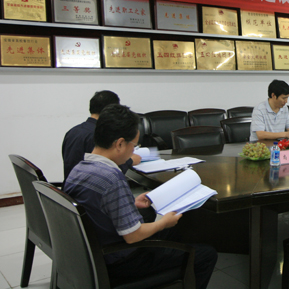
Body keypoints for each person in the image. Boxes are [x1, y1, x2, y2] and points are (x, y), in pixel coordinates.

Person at [64, 104, 217, 289]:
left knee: (172, 231)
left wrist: (131, 202)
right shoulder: (112, 177)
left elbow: (97, 205)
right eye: (134, 146)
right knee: (206, 255)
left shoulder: (80, 168)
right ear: (120, 144)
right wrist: (163, 223)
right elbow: (133, 236)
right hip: (120, 261)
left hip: (92, 251)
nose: (133, 152)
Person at [62, 90, 140, 181]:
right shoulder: (99, 134)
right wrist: (129, 161)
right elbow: (105, 169)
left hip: (71, 184)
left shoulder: (72, 131)